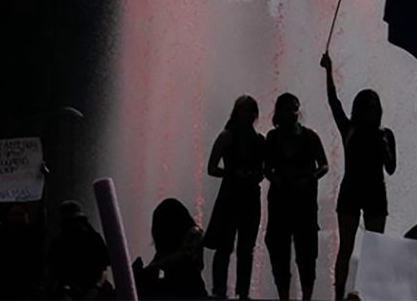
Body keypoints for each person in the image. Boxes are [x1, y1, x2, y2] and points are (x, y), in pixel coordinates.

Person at [319, 52, 396, 300]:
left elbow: (392, 168)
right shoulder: (349, 128)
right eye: (367, 107)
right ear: (359, 109)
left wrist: (384, 146)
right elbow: (333, 102)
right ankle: (339, 295)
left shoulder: (385, 134)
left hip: (375, 191)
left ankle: (371, 294)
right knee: (346, 246)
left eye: (374, 108)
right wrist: (328, 71)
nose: (371, 112)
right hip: (352, 189)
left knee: (376, 249)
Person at [264, 92, 328, 301]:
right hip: (280, 202)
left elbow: (324, 164)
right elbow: (266, 168)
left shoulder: (310, 136)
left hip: (304, 204)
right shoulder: (272, 138)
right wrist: (274, 178)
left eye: (295, 108)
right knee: (279, 254)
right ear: (278, 112)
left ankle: (306, 297)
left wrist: (309, 179)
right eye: (288, 109)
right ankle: (284, 296)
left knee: (307, 255)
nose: (293, 113)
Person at [204, 95, 265, 299]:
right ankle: (219, 290)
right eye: (244, 110)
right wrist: (232, 173)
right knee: (225, 246)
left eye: (251, 111)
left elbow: (264, 169)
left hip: (249, 197)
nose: (248, 115)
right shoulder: (226, 137)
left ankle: (243, 292)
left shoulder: (259, 140)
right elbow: (211, 168)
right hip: (231, 196)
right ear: (236, 113)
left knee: (246, 249)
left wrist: (254, 174)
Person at [133, 197, 207, 299]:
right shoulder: (172, 243)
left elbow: (184, 255)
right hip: (180, 288)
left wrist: (154, 266)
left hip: (189, 289)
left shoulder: (193, 234)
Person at [46, 200, 111, 299]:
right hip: (70, 292)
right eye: (70, 222)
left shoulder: (93, 238)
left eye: (76, 221)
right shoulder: (58, 243)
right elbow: (53, 273)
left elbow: (104, 269)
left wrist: (96, 288)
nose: (74, 225)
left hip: (96, 291)